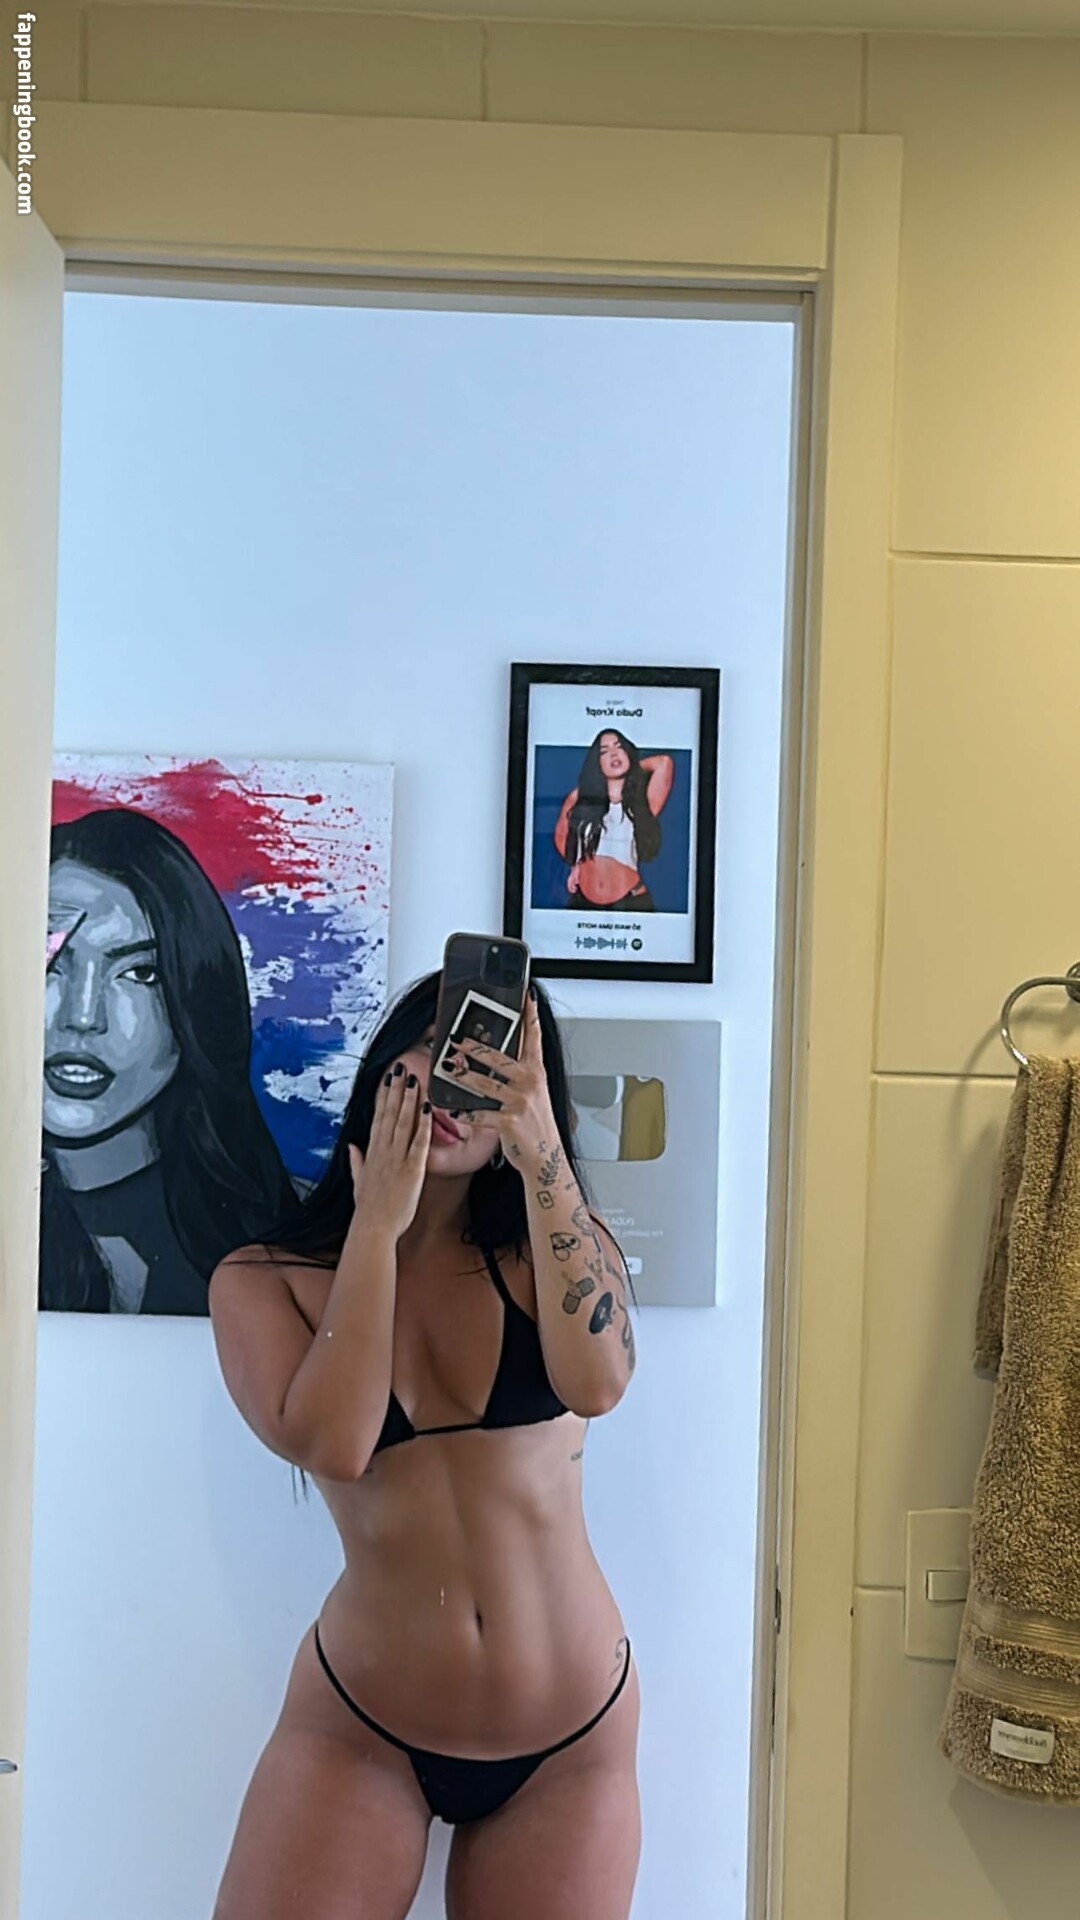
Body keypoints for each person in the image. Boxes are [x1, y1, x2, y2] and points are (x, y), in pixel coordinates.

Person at [207, 968, 641, 1920]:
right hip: (364, 1727)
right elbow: (334, 1443)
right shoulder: (263, 1279)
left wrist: (542, 1150)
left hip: (570, 1739)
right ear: (381, 1073)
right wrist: (376, 1226)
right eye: (432, 1056)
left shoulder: (555, 1252)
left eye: (487, 1070)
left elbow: (600, 1385)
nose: (453, 1092)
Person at [41, 808, 300, 1314]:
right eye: (50, 964)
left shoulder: (292, 1228)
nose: (83, 1016)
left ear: (196, 1001)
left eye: (140, 973)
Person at [553, 729, 674, 912]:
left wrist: (631, 768)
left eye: (619, 747)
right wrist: (577, 863)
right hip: (582, 901)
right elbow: (561, 836)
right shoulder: (581, 799)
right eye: (604, 751)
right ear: (597, 762)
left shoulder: (642, 804)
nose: (614, 754)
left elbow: (663, 762)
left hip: (631, 902)